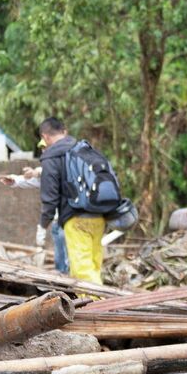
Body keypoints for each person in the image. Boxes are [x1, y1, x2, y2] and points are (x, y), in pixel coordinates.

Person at [37, 116, 121, 284]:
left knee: (81, 268)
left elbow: (50, 197)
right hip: (99, 215)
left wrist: (42, 225)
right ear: (65, 132)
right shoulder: (84, 149)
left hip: (75, 219)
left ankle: (96, 306)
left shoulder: (51, 157)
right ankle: (100, 301)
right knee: (94, 263)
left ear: (45, 137)